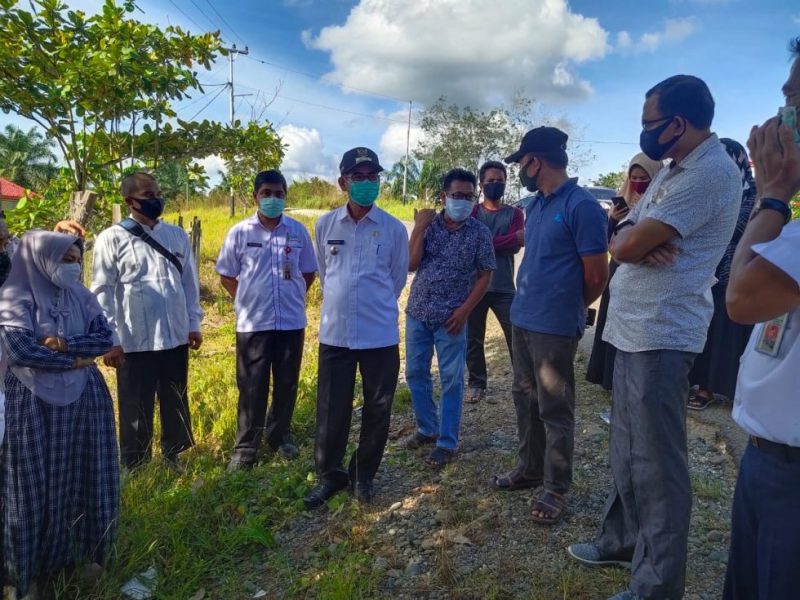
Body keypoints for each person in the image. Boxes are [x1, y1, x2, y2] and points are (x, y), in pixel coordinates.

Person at [567, 75, 741, 600]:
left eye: (649, 124)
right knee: (626, 448)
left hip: (663, 332)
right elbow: (622, 230)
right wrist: (631, 238)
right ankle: (622, 541)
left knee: (658, 463)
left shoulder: (710, 172)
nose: (644, 133)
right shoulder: (671, 172)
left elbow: (627, 241)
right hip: (632, 327)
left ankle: (658, 585)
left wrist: (632, 241)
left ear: (678, 124)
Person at [492, 126, 609, 525]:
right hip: (522, 319)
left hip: (555, 328)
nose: (519, 171)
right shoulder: (537, 205)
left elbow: (597, 275)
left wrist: (569, 309)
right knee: (524, 397)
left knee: (555, 408)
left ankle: (556, 487)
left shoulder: (582, 206)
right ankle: (529, 469)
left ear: (535, 161)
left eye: (521, 163)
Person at [0, 231, 119, 598]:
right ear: (40, 257)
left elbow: (104, 338)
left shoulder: (81, 295)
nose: (73, 266)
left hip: (84, 400)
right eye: (64, 258)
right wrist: (78, 360)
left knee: (83, 477)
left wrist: (65, 345)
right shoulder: (14, 296)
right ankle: (27, 575)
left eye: (76, 258)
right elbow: (21, 350)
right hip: (31, 401)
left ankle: (81, 556)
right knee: (30, 490)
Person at [723, 38, 800, 600]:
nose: (778, 120)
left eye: (795, 100)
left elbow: (742, 296)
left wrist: (772, 195)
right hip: (767, 461)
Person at [303, 147, 409, 509]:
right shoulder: (325, 225)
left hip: (379, 335)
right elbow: (324, 273)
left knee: (378, 409)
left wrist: (371, 306)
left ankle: (363, 476)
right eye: (358, 176)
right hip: (336, 335)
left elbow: (396, 280)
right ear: (342, 182)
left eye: (372, 176)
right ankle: (330, 475)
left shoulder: (393, 229)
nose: (366, 183)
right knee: (332, 409)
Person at [91, 172, 203, 471]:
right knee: (134, 405)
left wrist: (194, 323)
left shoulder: (176, 236)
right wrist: (110, 340)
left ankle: (174, 455)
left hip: (175, 335)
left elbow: (189, 285)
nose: (156, 200)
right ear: (130, 201)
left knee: (175, 399)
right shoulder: (111, 239)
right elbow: (102, 292)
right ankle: (135, 464)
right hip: (134, 340)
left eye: (157, 193)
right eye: (149, 196)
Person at [216, 170, 317, 470]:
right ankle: (246, 448)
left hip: (290, 321)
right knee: (252, 385)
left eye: (279, 194)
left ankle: (279, 435)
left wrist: (294, 295)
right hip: (253, 323)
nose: (273, 199)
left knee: (287, 382)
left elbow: (308, 272)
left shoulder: (298, 232)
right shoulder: (240, 233)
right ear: (255, 196)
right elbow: (226, 275)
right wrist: (246, 299)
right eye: (267, 194)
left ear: (286, 196)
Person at [404, 168, 496, 467]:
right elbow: (411, 264)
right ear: (444, 197)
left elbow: (485, 275)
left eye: (469, 197)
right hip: (418, 312)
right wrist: (418, 227)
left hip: (452, 318)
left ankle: (447, 442)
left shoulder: (479, 232)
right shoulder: (429, 227)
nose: (463, 202)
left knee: (452, 379)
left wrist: (465, 310)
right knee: (416, 374)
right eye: (457, 196)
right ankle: (427, 429)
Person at [687, 139, 756, 410]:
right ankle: (695, 381)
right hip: (704, 271)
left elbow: (737, 231)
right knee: (700, 330)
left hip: (734, 274)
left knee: (723, 335)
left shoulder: (753, 196)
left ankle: (710, 389)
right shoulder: (709, 191)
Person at [586, 153, 663, 391]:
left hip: (644, 279)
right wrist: (612, 220)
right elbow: (607, 242)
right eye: (634, 177)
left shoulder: (663, 203)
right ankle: (607, 376)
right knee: (611, 324)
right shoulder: (623, 202)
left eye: (645, 178)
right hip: (617, 272)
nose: (638, 182)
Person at [464, 160, 524, 404]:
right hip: (474, 287)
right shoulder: (472, 212)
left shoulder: (516, 213)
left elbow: (519, 241)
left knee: (516, 336)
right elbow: (469, 246)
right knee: (473, 338)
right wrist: (504, 240)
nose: (495, 184)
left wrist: (484, 242)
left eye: (500, 180)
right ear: (481, 184)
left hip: (504, 287)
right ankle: (477, 384)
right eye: (490, 181)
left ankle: (524, 381)